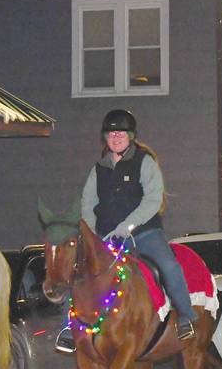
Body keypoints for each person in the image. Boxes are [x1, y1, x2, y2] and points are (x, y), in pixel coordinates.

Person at [55, 109, 198, 353]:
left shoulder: (144, 162)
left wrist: (127, 226)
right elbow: (87, 203)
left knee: (168, 265)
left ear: (130, 136)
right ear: (105, 138)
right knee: (78, 272)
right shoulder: (98, 168)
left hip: (143, 234)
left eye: (121, 133)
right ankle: (68, 328)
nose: (116, 137)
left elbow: (152, 201)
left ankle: (185, 315)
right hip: (106, 238)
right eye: (112, 133)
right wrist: (93, 235)